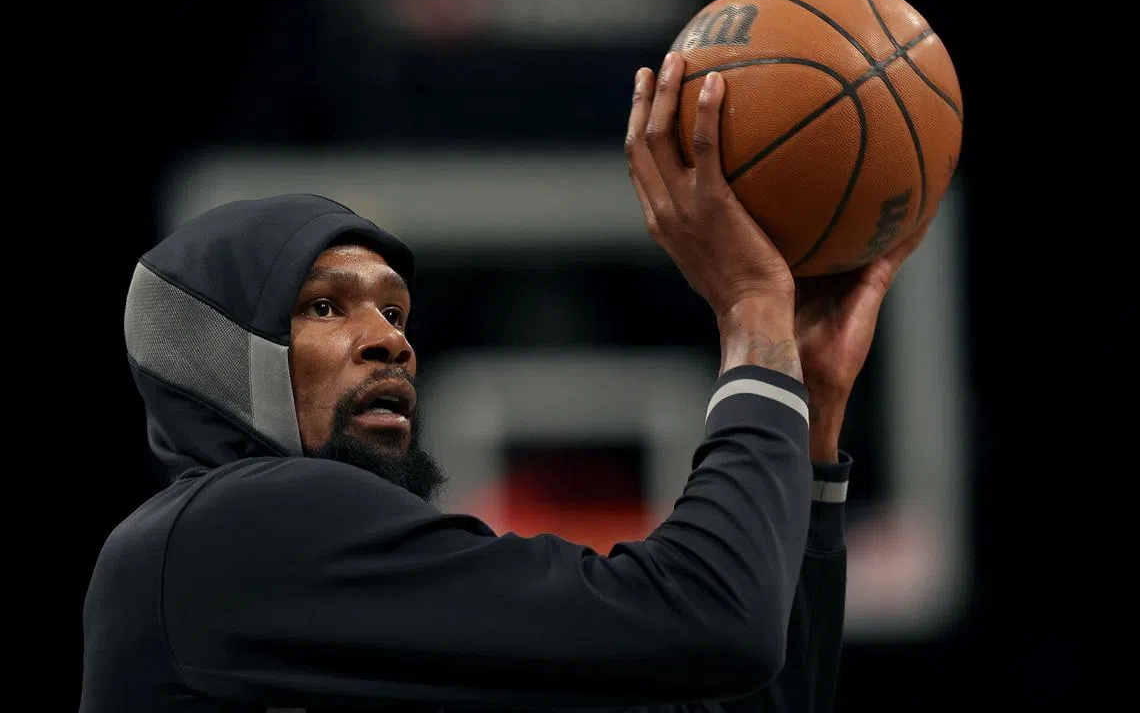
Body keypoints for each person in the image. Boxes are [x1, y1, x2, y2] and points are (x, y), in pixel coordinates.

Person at [81, 53, 930, 712]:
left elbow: (734, 690)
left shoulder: (353, 604)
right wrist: (750, 314)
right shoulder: (227, 532)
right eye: (325, 307)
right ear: (216, 348)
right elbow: (714, 621)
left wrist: (807, 414)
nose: (390, 341)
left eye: (398, 313)